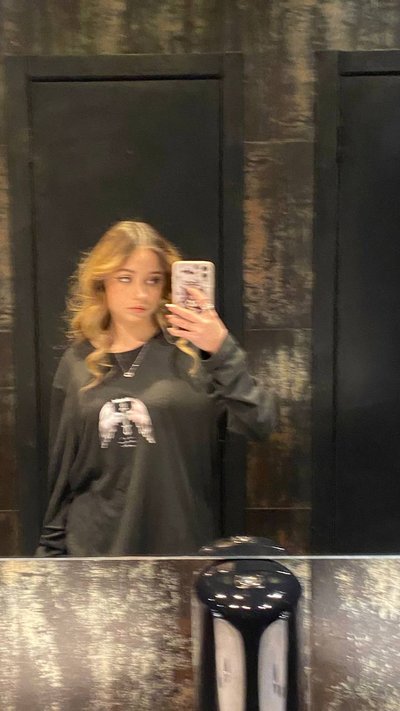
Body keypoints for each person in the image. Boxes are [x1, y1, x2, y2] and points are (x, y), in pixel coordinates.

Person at [36, 221, 276, 556]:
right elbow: (64, 474)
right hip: (94, 552)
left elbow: (261, 422)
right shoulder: (78, 363)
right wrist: (50, 555)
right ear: (102, 281)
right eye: (125, 278)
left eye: (153, 279)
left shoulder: (194, 356)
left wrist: (221, 350)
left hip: (178, 547)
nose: (141, 293)